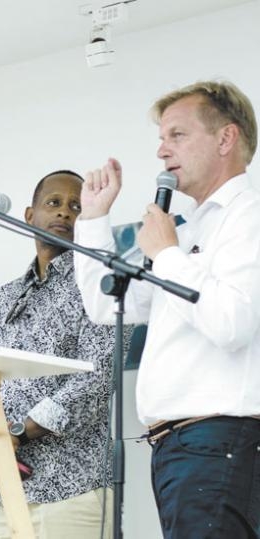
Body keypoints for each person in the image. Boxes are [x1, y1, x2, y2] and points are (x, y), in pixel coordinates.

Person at [74, 80, 260, 538]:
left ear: (225, 138)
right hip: (182, 447)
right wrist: (94, 219)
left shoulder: (249, 215)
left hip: (220, 441)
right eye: (160, 138)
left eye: (176, 135)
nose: (161, 151)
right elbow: (106, 303)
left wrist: (168, 254)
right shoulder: (190, 226)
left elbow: (231, 322)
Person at [0, 171, 120, 539]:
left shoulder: (100, 285)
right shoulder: (2, 299)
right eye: (54, 203)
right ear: (30, 216)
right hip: (1, 492)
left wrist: (16, 433)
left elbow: (97, 380)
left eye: (76, 207)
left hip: (72, 487)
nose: (64, 213)